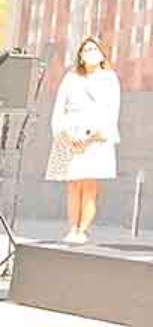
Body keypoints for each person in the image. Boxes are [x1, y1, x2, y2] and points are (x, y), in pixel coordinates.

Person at [44, 36, 122, 245]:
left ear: (102, 54)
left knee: (89, 184)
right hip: (71, 135)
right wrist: (66, 134)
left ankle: (83, 229)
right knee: (73, 184)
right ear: (79, 55)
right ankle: (72, 228)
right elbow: (59, 108)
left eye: (93, 49)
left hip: (96, 137)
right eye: (85, 49)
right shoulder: (71, 77)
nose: (89, 52)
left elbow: (112, 110)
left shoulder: (109, 78)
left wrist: (94, 136)